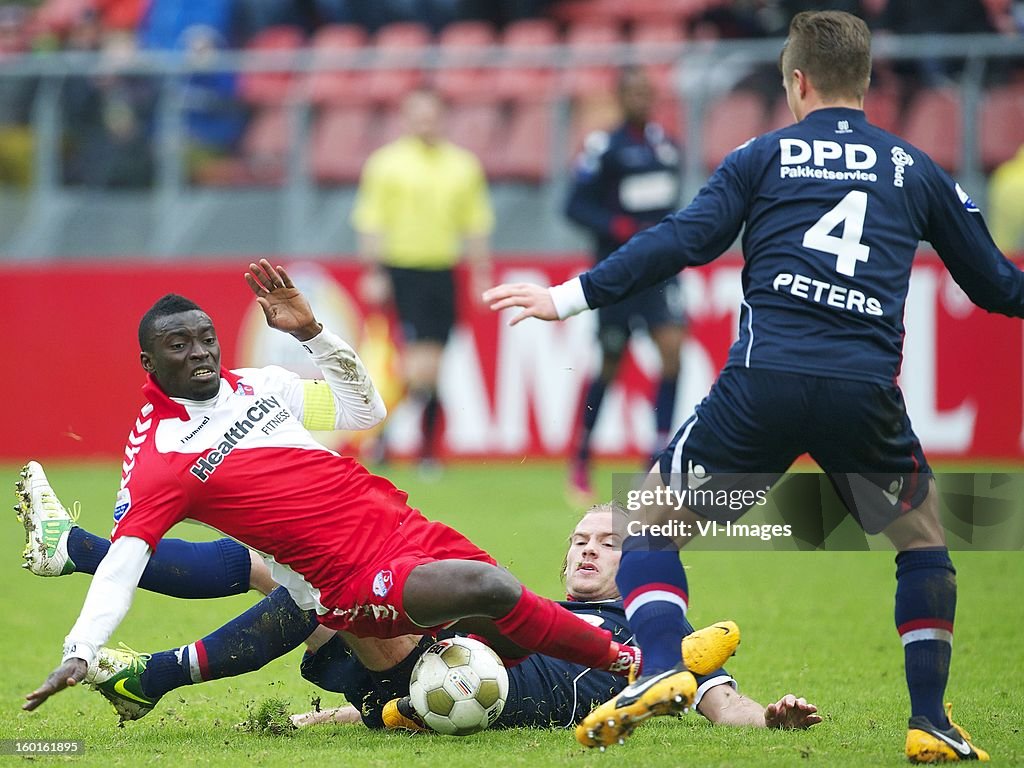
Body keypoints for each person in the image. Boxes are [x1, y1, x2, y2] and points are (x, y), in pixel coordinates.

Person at [485, 10, 1024, 761]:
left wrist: (569, 295)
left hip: (762, 384)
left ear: (795, 81)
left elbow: (681, 240)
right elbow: (998, 285)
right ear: (866, 84)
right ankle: (929, 720)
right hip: (861, 389)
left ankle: (666, 667)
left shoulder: (763, 155)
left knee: (648, 523)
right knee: (923, 544)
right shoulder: (912, 167)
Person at [19, 259, 709, 716]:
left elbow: (364, 413)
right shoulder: (162, 461)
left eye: (206, 339)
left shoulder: (263, 386)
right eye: (180, 346)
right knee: (488, 590)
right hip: (353, 581)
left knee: (509, 626)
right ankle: (629, 663)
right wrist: (79, 648)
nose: (200, 352)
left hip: (402, 527)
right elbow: (124, 565)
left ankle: (614, 684)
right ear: (148, 361)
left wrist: (317, 336)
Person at [18, 495, 818, 731]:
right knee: (296, 575)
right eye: (577, 538)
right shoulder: (529, 613)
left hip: (455, 685)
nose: (584, 550)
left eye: (605, 543)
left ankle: (135, 650)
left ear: (634, 564)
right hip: (432, 673)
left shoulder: (653, 642)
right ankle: (101, 585)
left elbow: (718, 698)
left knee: (317, 583)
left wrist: (768, 719)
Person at [351, 88, 494, 472]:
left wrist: (481, 274)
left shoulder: (463, 166)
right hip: (404, 271)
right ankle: (417, 447)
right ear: (405, 117)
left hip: (443, 273)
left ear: (443, 117)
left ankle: (405, 444)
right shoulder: (386, 164)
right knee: (420, 364)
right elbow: (371, 222)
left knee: (435, 362)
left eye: (431, 115)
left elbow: (475, 225)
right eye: (417, 115)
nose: (424, 122)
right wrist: (374, 272)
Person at [564, 67, 687, 503]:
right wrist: (617, 226)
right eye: (631, 91)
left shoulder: (667, 146)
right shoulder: (604, 146)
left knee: (672, 352)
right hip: (617, 272)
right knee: (612, 364)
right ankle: (581, 454)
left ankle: (656, 454)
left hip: (658, 272)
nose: (640, 98)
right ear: (620, 96)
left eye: (645, 90)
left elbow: (669, 203)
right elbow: (574, 206)